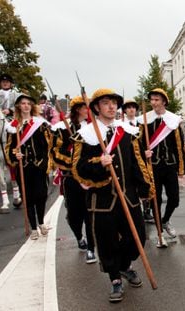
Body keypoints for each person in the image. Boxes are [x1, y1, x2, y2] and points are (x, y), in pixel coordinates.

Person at [71, 88, 152, 303]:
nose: (112, 107)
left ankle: (125, 265)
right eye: (106, 103)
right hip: (103, 201)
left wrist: (145, 189)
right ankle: (115, 278)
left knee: (138, 238)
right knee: (106, 242)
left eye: (114, 103)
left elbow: (137, 163)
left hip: (129, 197)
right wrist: (100, 163)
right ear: (96, 107)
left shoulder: (127, 132)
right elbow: (78, 169)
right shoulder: (86, 136)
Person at [136, 88, 185, 247]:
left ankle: (165, 221)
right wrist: (143, 152)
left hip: (170, 165)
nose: (153, 103)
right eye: (152, 100)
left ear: (164, 101)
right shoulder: (145, 120)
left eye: (157, 100)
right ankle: (160, 235)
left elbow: (179, 145)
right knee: (155, 200)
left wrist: (182, 168)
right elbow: (138, 142)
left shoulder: (173, 120)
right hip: (153, 166)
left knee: (174, 199)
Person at [50, 96, 96, 264]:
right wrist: (75, 163)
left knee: (90, 214)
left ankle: (91, 248)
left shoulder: (92, 128)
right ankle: (79, 236)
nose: (89, 111)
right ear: (78, 109)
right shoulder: (61, 128)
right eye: (86, 108)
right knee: (75, 215)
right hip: (70, 178)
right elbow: (56, 153)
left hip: (89, 178)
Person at [5, 93, 52, 240]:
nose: (26, 106)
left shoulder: (40, 123)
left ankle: (42, 222)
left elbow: (47, 145)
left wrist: (45, 163)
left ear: (32, 106)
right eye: (23, 103)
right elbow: (9, 148)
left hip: (39, 166)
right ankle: (33, 227)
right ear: (18, 106)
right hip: (23, 167)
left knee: (41, 195)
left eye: (28, 103)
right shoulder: (13, 127)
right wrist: (14, 155)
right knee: (28, 197)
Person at [0, 73, 23, 209]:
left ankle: (16, 193)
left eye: (7, 82)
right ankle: (4, 199)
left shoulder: (16, 95)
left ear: (11, 83)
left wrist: (10, 110)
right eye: (3, 82)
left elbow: (19, 107)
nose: (5, 83)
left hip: (12, 121)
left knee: (15, 133)